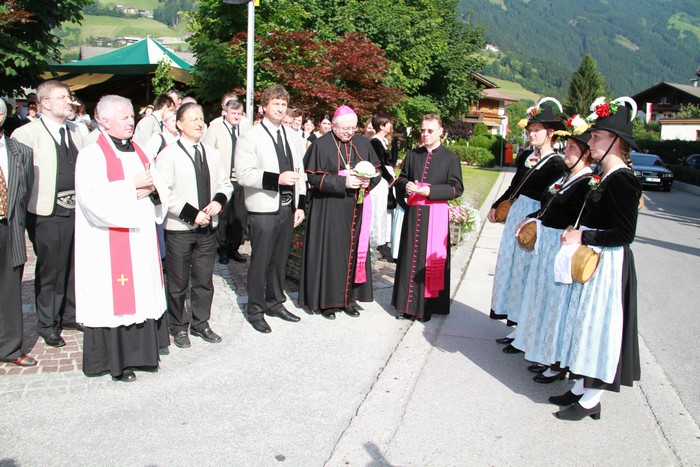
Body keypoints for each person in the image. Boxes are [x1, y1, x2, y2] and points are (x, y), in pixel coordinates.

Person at [550, 97, 643, 421]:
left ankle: (592, 399)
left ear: (616, 141)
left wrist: (583, 237)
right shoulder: (605, 175)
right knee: (584, 324)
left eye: (597, 137)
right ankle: (581, 387)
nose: (591, 142)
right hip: (594, 260)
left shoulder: (623, 179)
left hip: (609, 265)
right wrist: (575, 230)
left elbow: (624, 234)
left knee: (599, 329)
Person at [74, 95, 169, 382]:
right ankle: (118, 362)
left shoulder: (139, 150)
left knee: (142, 293)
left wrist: (153, 191)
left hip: (140, 238)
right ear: (104, 121)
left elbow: (157, 183)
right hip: (109, 242)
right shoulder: (92, 154)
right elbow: (91, 200)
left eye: (131, 116)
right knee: (114, 301)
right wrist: (131, 186)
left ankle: (143, 355)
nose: (131, 122)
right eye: (124, 117)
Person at [509, 117, 594, 382]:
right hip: (546, 244)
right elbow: (548, 205)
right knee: (543, 300)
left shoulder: (587, 181)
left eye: (571, 148)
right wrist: (534, 217)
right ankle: (542, 352)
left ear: (585, 154)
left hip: (561, 247)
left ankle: (555, 362)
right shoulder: (567, 176)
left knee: (556, 306)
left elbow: (578, 217)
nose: (565, 151)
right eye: (566, 146)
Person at [488, 98, 568, 353]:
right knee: (512, 269)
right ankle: (515, 324)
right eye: (530, 130)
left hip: (533, 220)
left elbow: (551, 198)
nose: (532, 134)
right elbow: (514, 186)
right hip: (516, 213)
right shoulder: (525, 156)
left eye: (537, 130)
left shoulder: (556, 163)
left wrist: (534, 217)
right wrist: (496, 204)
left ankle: (525, 330)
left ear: (550, 133)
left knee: (526, 273)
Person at [12, 80, 86, 348]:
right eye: (62, 97)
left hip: (78, 211)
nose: (69, 102)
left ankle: (70, 314)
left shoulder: (78, 131)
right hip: (47, 213)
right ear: (44, 103)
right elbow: (18, 180)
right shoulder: (26, 134)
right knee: (52, 269)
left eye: (69, 97)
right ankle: (48, 323)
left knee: (75, 266)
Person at [156, 103, 233, 348]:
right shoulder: (168, 155)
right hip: (180, 229)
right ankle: (178, 326)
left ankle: (201, 323)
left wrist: (218, 202)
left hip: (207, 229)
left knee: (203, 280)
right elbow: (164, 192)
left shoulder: (212, 153)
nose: (200, 123)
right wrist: (192, 214)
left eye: (201, 118)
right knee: (177, 283)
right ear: (180, 124)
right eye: (193, 119)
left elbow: (225, 184)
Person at [299, 104, 381, 319]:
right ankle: (327, 302)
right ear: (333, 125)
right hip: (329, 209)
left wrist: (368, 182)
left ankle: (349, 300)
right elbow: (313, 177)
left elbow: (377, 172)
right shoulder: (321, 145)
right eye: (345, 128)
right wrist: (343, 182)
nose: (349, 133)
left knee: (353, 252)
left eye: (353, 128)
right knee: (331, 254)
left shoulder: (362, 143)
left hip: (356, 209)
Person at [236, 85, 306, 333]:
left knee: (280, 260)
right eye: (275, 103)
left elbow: (299, 171)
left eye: (283, 104)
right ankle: (255, 309)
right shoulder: (250, 136)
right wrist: (276, 179)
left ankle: (275, 302)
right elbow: (243, 174)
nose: (280, 108)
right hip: (263, 209)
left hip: (287, 209)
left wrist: (300, 204)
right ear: (264, 107)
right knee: (261, 261)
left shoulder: (292, 135)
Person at [391, 114, 463, 322]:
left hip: (434, 215)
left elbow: (456, 188)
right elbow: (402, 178)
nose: (425, 134)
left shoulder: (450, 158)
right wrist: (406, 185)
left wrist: (430, 191)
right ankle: (407, 306)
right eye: (423, 130)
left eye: (430, 130)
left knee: (429, 261)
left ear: (441, 132)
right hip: (414, 215)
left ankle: (426, 308)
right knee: (409, 259)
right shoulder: (413, 154)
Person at [0, 99, 37, 367]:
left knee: (9, 289)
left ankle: (10, 347)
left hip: (9, 226)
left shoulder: (20, 152)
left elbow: (25, 190)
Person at [203, 98, 248, 264]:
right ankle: (221, 248)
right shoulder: (215, 129)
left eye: (239, 114)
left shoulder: (245, 129)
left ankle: (233, 248)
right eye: (233, 113)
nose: (236, 116)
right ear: (226, 113)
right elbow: (207, 153)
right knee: (223, 216)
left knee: (239, 216)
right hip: (223, 180)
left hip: (241, 180)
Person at [368, 112, 395, 261]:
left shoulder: (384, 141)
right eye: (388, 123)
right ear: (382, 125)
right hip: (379, 180)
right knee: (377, 211)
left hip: (385, 180)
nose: (390, 126)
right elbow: (378, 163)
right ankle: (375, 243)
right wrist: (389, 178)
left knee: (383, 211)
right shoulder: (375, 142)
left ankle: (382, 241)